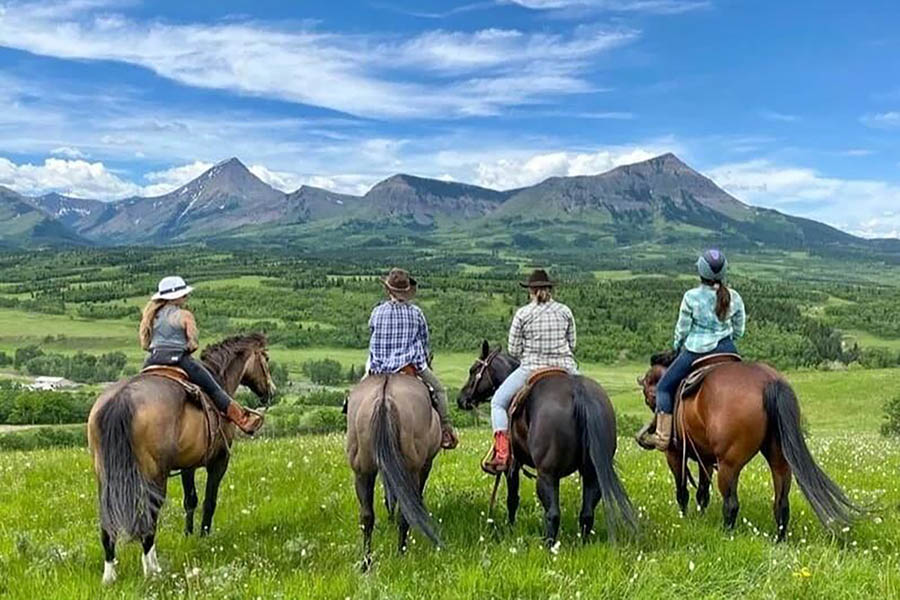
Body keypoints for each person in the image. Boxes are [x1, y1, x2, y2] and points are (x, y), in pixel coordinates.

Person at [645, 249, 746, 451]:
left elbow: (682, 329)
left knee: (664, 387)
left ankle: (663, 437)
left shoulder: (691, 296)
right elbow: (740, 329)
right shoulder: (733, 296)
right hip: (727, 349)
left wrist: (676, 346)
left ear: (701, 272)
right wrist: (727, 339)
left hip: (696, 351)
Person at [139, 276, 263, 435]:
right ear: (176, 296)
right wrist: (186, 348)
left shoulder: (150, 315)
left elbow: (145, 344)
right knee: (214, 389)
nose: (186, 296)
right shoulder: (184, 315)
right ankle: (243, 421)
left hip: (153, 359)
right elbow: (193, 344)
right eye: (183, 294)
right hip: (179, 360)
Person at [483, 269, 577, 474]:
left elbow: (513, 351)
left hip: (531, 368)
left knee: (498, 403)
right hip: (566, 367)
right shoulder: (565, 311)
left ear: (531, 291)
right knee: (589, 397)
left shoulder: (523, 314)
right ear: (550, 289)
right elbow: (573, 343)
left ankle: (502, 453)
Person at [367, 268, 458, 450]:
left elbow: (372, 333)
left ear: (388, 290)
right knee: (440, 390)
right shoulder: (416, 313)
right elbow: (424, 342)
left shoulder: (377, 312)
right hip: (408, 366)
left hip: (378, 366)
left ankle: (350, 418)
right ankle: (446, 429)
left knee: (357, 393)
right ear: (407, 291)